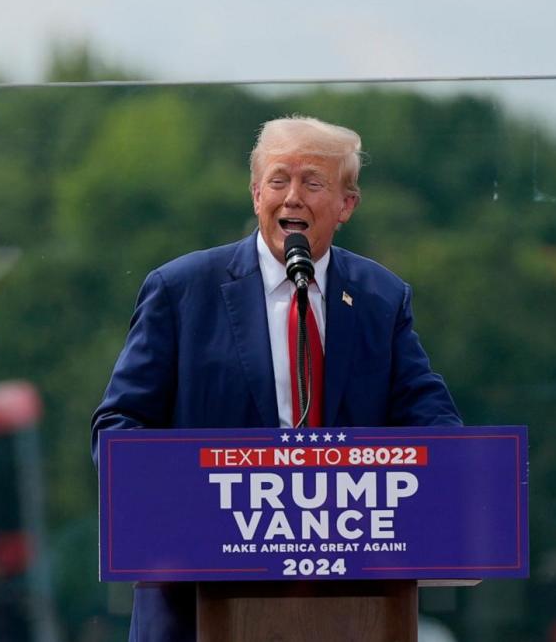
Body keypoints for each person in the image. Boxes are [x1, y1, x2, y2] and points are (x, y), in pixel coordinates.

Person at [91, 115, 460, 641]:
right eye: (278, 180)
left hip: (349, 605)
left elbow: (431, 423)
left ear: (346, 204)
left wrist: (459, 472)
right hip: (193, 608)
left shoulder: (381, 298)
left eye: (312, 182)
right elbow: (119, 425)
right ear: (255, 192)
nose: (292, 198)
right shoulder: (181, 290)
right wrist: (187, 496)